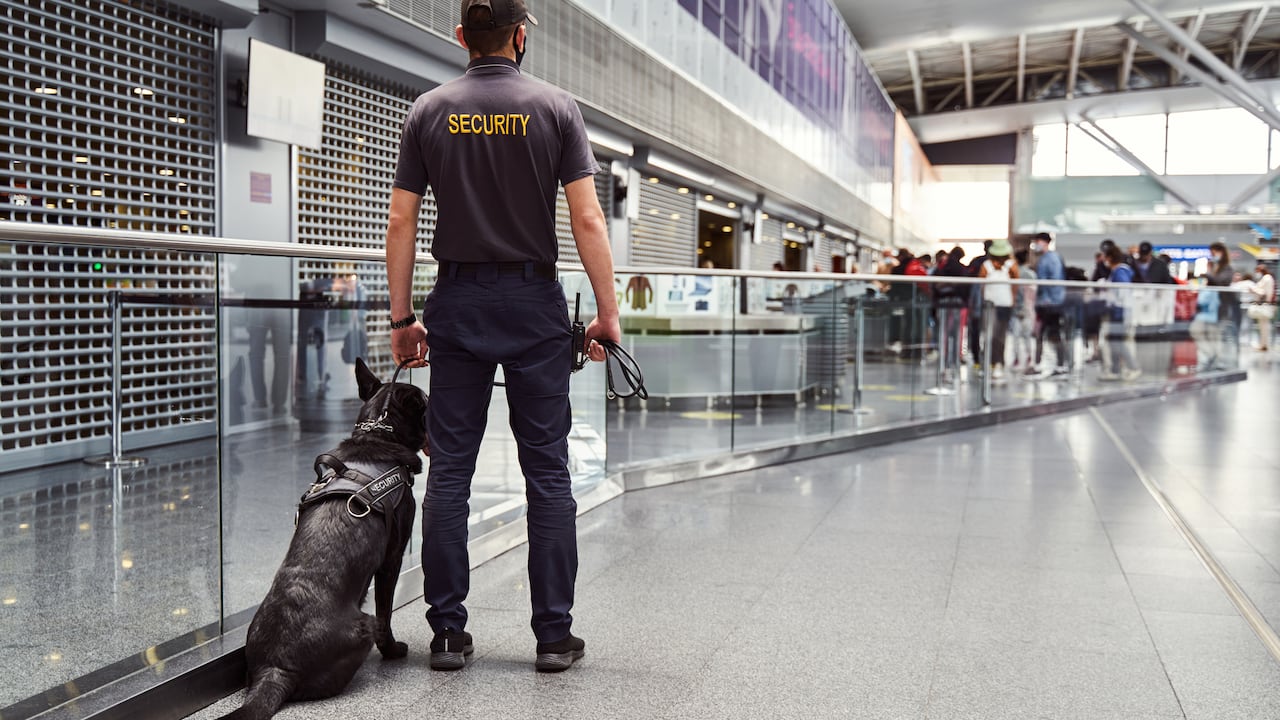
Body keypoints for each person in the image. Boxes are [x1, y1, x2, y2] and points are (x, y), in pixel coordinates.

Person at [383, 0, 621, 673]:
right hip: (533, 301)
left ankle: (449, 634)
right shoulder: (555, 107)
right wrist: (607, 312)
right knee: (546, 468)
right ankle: (552, 635)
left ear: (461, 37)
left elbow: (402, 222)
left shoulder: (428, 109)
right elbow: (587, 220)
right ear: (520, 37)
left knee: (451, 470)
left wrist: (403, 321)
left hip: (456, 302)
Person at [1098, 245, 1141, 382]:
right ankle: (1115, 370)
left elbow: (1122, 292)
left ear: (1109, 257)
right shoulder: (1117, 272)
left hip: (1120, 311)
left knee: (1118, 342)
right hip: (1117, 310)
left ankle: (1133, 367)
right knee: (1113, 341)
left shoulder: (1120, 272)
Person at [1029, 232, 1069, 377]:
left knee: (1053, 334)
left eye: (1038, 241)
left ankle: (1059, 365)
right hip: (1047, 303)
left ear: (1044, 242)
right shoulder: (1045, 258)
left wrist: (1049, 301)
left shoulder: (1051, 259)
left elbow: (1053, 282)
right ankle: (1043, 364)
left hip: (1051, 304)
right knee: (1045, 334)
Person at [978, 239, 1018, 379]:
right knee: (992, 335)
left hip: (1001, 304)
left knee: (998, 336)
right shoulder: (987, 266)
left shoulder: (1010, 266)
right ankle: (990, 362)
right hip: (993, 305)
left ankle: (998, 363)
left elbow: (1015, 286)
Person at [1009, 249, 1037, 370]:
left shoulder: (1012, 273)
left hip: (1015, 309)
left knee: (1015, 337)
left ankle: (1016, 360)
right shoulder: (1031, 274)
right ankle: (1029, 358)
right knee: (1027, 336)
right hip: (1028, 309)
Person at [1245, 264, 1275, 351]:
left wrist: (1254, 290)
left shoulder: (1267, 278)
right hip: (1265, 304)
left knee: (1264, 326)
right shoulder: (1267, 278)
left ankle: (1264, 345)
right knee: (1263, 326)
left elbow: (1263, 293)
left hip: (1264, 305)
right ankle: (1263, 344)